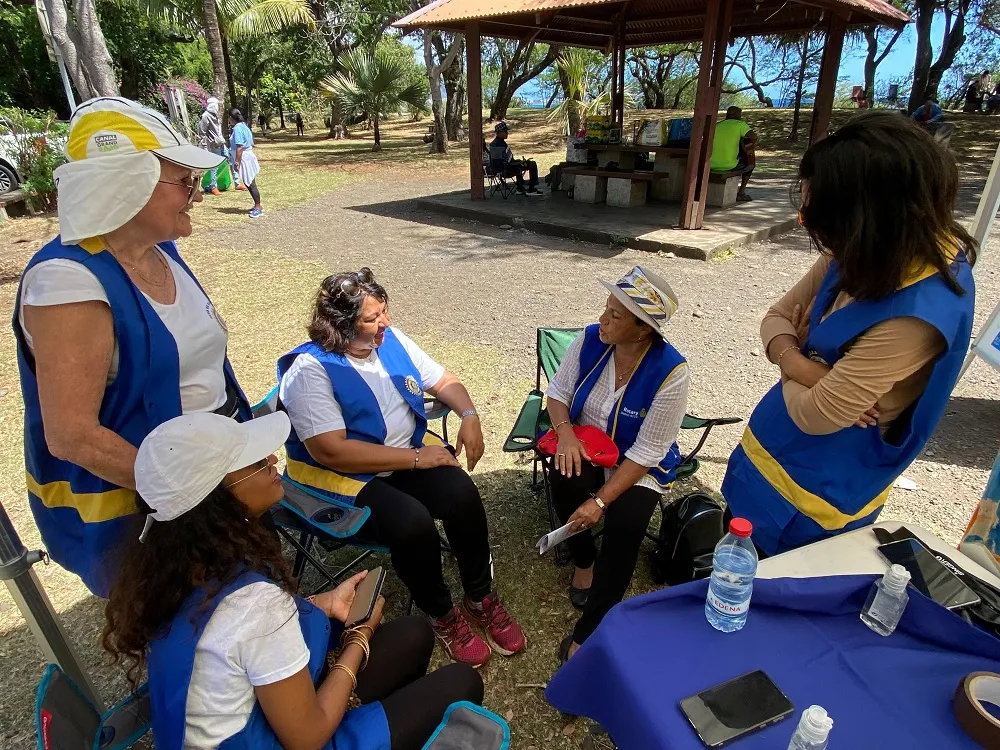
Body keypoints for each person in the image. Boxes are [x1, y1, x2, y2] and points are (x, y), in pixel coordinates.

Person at [103, 411, 485, 750]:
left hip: (258, 716)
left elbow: (232, 640)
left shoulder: (172, 570)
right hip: (288, 736)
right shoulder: (255, 606)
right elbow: (307, 738)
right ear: (218, 499)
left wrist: (323, 603)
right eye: (256, 462)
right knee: (461, 684)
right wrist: (359, 638)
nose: (273, 461)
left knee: (414, 633)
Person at [12, 96, 250, 598]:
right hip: (152, 510)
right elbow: (73, 437)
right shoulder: (67, 283)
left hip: (213, 474)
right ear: (126, 185)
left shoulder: (160, 249)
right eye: (184, 181)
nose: (198, 194)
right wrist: (192, 495)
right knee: (196, 620)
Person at [721, 111, 977, 557]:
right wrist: (805, 366)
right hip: (769, 454)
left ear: (866, 217)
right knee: (732, 546)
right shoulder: (865, 249)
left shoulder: (918, 314)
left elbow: (817, 415)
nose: (805, 223)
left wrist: (790, 353)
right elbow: (775, 318)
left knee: (770, 581)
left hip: (815, 496)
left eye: (814, 214)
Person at [277, 268, 526, 668]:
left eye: (384, 312)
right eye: (372, 318)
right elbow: (330, 451)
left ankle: (481, 598)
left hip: (403, 455)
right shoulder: (310, 370)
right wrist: (416, 459)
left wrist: (469, 414)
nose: (385, 323)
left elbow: (443, 380)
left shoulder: (388, 341)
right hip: (344, 476)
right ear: (340, 325)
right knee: (411, 522)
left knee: (462, 493)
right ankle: (442, 615)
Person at [545, 266, 689, 663]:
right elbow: (557, 393)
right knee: (566, 478)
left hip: (637, 463)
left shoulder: (671, 372)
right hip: (589, 445)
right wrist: (566, 435)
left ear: (643, 330)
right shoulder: (590, 339)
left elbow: (648, 451)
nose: (602, 319)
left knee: (626, 526)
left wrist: (601, 502)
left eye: (615, 315)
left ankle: (590, 631)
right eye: (606, 308)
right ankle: (584, 562)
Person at [711, 106, 756, 201]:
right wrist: (745, 145)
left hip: (711, 164)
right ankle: (741, 192)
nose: (740, 116)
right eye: (740, 114)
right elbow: (753, 137)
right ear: (736, 115)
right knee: (750, 164)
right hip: (730, 165)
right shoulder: (740, 124)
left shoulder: (717, 125)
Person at [489, 121, 541, 196]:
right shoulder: (500, 145)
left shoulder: (494, 143)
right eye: (505, 131)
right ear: (499, 133)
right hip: (506, 169)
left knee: (520, 162)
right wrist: (520, 162)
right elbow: (507, 162)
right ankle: (531, 189)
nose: (507, 133)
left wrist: (519, 162)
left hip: (500, 169)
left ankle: (520, 188)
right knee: (532, 164)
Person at [228, 108, 263, 219]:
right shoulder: (244, 125)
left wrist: (237, 162)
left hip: (244, 157)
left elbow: (240, 146)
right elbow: (251, 142)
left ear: (231, 118)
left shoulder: (237, 128)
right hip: (247, 155)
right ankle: (257, 205)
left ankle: (258, 207)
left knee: (250, 183)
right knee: (249, 182)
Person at [197, 97, 227, 195]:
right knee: (214, 165)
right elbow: (202, 132)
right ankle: (213, 186)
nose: (217, 107)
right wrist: (205, 146)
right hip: (212, 144)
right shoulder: (205, 116)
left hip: (220, 142)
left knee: (229, 159)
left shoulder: (216, 116)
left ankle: (237, 183)